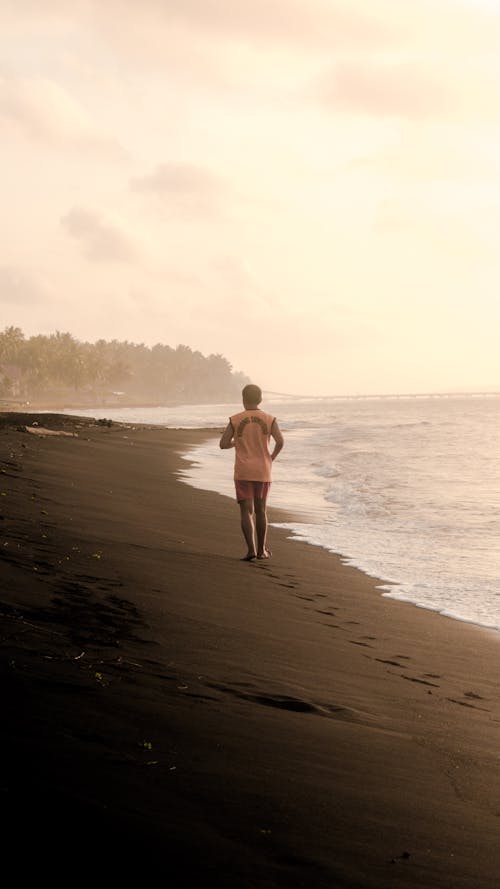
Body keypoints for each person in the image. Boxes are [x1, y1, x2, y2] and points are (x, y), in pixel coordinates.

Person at [220, 383, 284, 561]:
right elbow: (280, 441)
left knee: (246, 511)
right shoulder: (270, 419)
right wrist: (271, 458)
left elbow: (223, 444)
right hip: (263, 469)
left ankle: (250, 550)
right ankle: (262, 550)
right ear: (260, 399)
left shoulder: (235, 419)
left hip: (243, 470)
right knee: (261, 511)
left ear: (243, 399)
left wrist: (237, 443)